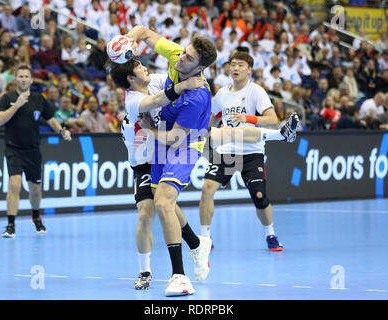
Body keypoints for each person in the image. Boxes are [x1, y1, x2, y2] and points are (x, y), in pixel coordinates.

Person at [125, 25, 217, 296]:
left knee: (164, 201)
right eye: (184, 53)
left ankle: (179, 277)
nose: (180, 59)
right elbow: (145, 33)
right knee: (159, 199)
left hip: (184, 144)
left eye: (188, 59)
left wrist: (150, 129)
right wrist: (130, 39)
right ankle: (196, 243)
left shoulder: (198, 96)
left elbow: (176, 138)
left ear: (200, 68)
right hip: (163, 140)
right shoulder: (178, 56)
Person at [109, 56, 204, 290]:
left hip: (165, 152)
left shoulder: (154, 80)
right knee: (146, 213)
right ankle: (145, 270)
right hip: (143, 161)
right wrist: (183, 87)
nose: (145, 68)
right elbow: (160, 98)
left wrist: (190, 73)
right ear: (131, 79)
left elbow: (175, 76)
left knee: (165, 203)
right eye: (139, 67)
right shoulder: (132, 100)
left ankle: (194, 246)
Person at [199, 51, 300, 252]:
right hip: (227, 150)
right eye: (233, 64)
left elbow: (272, 119)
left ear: (249, 69)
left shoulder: (256, 91)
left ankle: (270, 234)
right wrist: (204, 132)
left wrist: (249, 118)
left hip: (252, 152)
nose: (235, 68)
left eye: (240, 65)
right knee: (207, 188)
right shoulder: (221, 94)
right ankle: (205, 237)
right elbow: (213, 118)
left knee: (260, 197)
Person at [0, 65, 72, 238]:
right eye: (20, 76)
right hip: (13, 148)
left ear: (31, 80)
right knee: (14, 184)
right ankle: (10, 225)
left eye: (26, 76)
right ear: (15, 80)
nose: (23, 79)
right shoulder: (7, 98)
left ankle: (36, 216)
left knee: (35, 189)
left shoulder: (39, 99)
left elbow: (51, 119)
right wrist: (17, 105)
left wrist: (61, 131)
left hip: (32, 150)